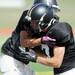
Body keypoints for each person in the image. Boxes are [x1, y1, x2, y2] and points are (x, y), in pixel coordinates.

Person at [20, 3, 75, 75]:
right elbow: (24, 43)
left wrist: (35, 58)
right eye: (31, 22)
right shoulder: (41, 31)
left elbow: (56, 63)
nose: (32, 25)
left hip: (70, 71)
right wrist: (39, 43)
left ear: (44, 21)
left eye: (35, 23)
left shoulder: (59, 31)